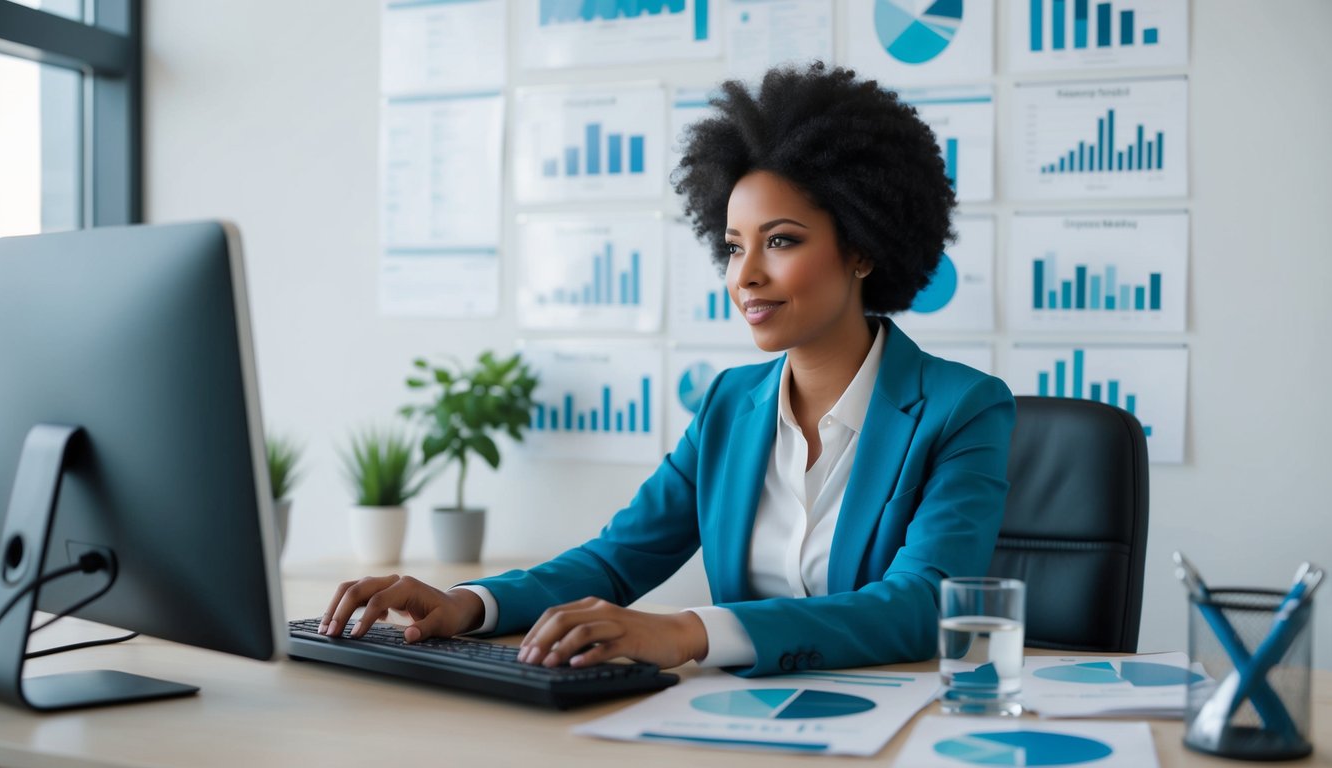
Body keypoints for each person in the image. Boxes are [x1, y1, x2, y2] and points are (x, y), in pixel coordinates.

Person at [321, 62, 1015, 677]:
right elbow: (617, 560)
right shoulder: (729, 405)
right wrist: (467, 603)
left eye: (780, 242)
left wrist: (685, 631)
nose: (744, 275)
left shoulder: (962, 408)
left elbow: (920, 604)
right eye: (732, 245)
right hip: (737, 726)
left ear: (862, 247)